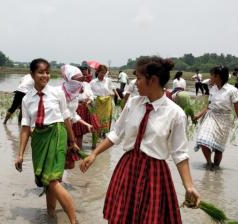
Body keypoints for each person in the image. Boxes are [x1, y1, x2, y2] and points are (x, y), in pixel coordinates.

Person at [80, 56, 200, 223]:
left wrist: (189, 186)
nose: (135, 83)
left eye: (139, 78)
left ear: (153, 80)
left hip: (154, 174)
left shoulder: (175, 113)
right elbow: (116, 133)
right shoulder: (133, 103)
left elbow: (179, 154)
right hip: (128, 168)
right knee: (120, 218)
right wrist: (94, 154)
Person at [14, 59, 79, 224]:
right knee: (48, 181)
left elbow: (66, 118)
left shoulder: (58, 93)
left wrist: (72, 141)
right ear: (32, 75)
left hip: (57, 135)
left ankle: (74, 221)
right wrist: (20, 154)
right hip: (39, 139)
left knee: (52, 179)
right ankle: (51, 216)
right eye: (41, 72)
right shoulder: (26, 99)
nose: (45, 75)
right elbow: (25, 127)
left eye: (47, 72)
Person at [194, 66, 238, 170]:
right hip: (211, 116)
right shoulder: (213, 88)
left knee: (219, 148)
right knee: (203, 139)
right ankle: (209, 163)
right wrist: (198, 115)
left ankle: (216, 168)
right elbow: (209, 105)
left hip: (224, 119)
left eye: (211, 75)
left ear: (217, 76)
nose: (210, 78)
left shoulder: (232, 90)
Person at [90, 65, 119, 142]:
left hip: (107, 102)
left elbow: (112, 89)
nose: (103, 75)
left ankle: (105, 134)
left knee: (107, 118)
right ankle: (97, 135)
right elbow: (89, 93)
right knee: (98, 119)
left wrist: (116, 95)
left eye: (104, 73)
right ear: (98, 72)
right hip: (97, 102)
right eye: (102, 73)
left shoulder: (108, 80)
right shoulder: (93, 82)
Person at [71, 66, 97, 150]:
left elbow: (92, 96)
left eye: (85, 73)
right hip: (75, 108)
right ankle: (73, 148)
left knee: (80, 132)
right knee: (73, 131)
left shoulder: (87, 84)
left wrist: (89, 101)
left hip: (85, 107)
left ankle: (79, 149)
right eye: (82, 74)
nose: (84, 76)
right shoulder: (71, 85)